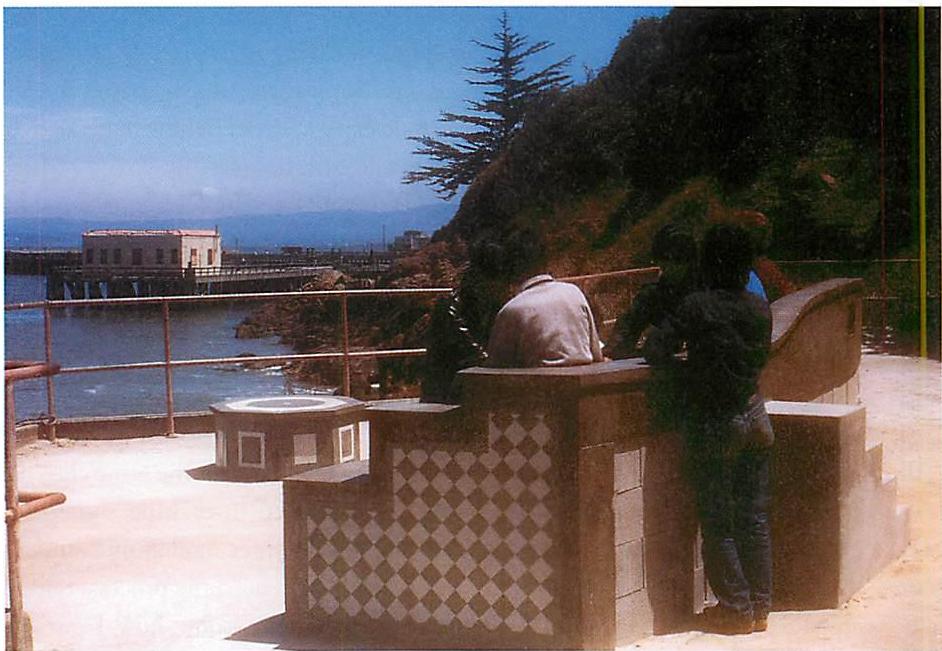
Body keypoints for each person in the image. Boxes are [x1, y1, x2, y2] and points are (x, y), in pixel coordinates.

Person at [643, 223, 774, 635]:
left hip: (717, 423)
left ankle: (736, 610)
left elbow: (656, 348)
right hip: (756, 414)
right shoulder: (759, 307)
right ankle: (761, 607)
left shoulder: (696, 306)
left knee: (718, 522)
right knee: (753, 517)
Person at [486, 272, 605, 368]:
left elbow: (497, 366)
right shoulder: (574, 292)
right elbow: (596, 354)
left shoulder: (511, 309)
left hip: (538, 390)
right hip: (585, 383)